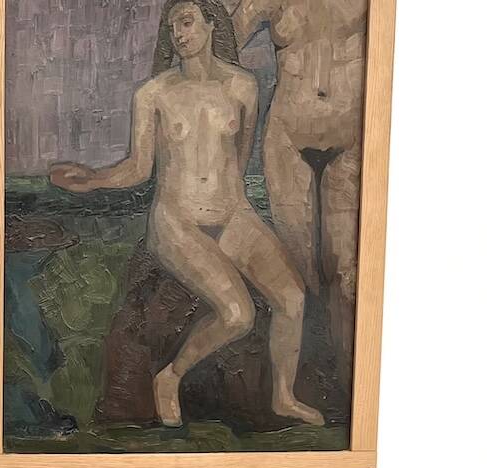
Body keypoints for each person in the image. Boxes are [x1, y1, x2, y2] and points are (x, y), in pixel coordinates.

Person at [49, 0, 321, 428]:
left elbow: (239, 159)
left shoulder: (244, 86)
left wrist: (235, 213)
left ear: (212, 25)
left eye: (187, 22)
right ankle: (170, 377)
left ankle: (283, 397)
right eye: (172, 26)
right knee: (237, 315)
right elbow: (139, 169)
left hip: (233, 215)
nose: (178, 33)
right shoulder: (153, 93)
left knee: (293, 297)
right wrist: (93, 179)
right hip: (176, 222)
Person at [229, 0, 367, 393]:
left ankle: (352, 389)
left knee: (346, 272)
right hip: (288, 138)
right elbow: (222, 44)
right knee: (300, 271)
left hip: (353, 139)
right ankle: (306, 382)